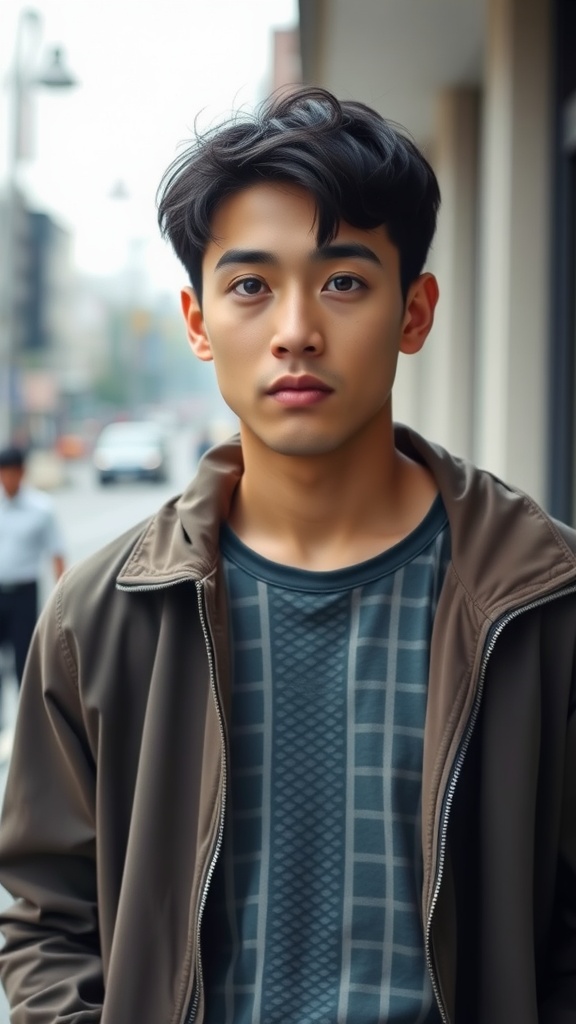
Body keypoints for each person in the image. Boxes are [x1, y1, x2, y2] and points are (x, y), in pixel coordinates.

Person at [0, 87, 574, 1024]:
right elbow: (49, 918)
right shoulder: (100, 618)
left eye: (344, 280)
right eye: (250, 285)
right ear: (196, 320)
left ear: (415, 312)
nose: (296, 329)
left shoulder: (544, 602)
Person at [0, 446, 65, 710]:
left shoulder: (41, 509)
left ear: (22, 472)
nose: (7, 479)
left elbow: (57, 554)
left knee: (24, 663)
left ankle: (25, 725)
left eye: (11, 473)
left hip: (25, 594)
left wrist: (61, 600)